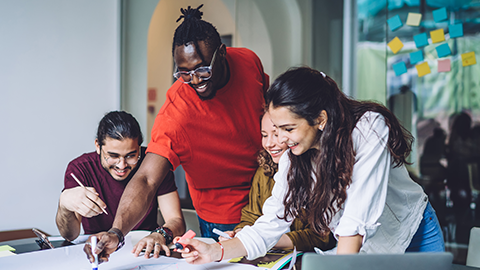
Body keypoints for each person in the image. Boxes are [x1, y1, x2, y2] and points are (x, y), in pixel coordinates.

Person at [175, 67, 445, 264]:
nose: (279, 140)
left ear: (320, 118)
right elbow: (271, 222)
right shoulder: (295, 157)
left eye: (288, 128)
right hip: (364, 251)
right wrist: (214, 252)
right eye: (276, 129)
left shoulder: (368, 129)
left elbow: (356, 217)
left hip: (414, 235)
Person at [85, 5, 268, 263]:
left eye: (202, 70)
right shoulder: (176, 114)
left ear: (222, 54)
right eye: (183, 74)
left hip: (271, 193)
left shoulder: (248, 61)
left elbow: (269, 114)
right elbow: (147, 179)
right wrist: (117, 232)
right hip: (223, 212)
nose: (194, 81)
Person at [56, 111, 185, 259]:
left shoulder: (154, 167)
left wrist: (160, 235)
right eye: (113, 156)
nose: (122, 165)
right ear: (98, 146)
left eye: (131, 155)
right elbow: (70, 235)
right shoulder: (80, 169)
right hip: (99, 252)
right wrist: (64, 204)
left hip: (145, 253)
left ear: (139, 147)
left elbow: (177, 221)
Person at [220, 112, 334, 252]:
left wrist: (265, 240)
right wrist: (240, 234)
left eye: (276, 134)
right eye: (264, 135)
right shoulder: (264, 172)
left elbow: (322, 236)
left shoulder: (316, 171)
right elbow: (251, 216)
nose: (269, 144)